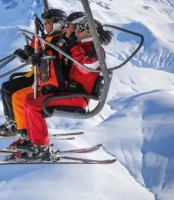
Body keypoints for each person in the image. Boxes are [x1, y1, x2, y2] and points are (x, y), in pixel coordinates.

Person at [17, 14, 112, 161]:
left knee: (34, 104)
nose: (77, 33)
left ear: (89, 32)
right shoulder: (83, 47)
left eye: (80, 30)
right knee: (29, 98)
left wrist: (74, 47)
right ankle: (33, 138)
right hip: (69, 92)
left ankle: (41, 147)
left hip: (78, 97)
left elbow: (86, 67)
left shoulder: (96, 50)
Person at [6, 8, 68, 142]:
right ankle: (22, 130)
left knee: (19, 97)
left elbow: (53, 57)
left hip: (50, 82)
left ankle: (26, 133)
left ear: (58, 24)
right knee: (14, 93)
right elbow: (40, 57)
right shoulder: (48, 38)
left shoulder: (61, 40)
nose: (45, 25)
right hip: (43, 78)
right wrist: (29, 55)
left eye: (48, 22)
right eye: (45, 22)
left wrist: (35, 56)